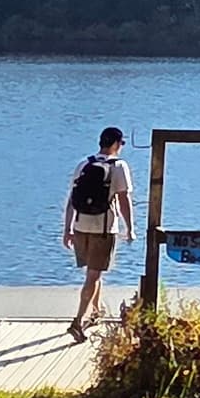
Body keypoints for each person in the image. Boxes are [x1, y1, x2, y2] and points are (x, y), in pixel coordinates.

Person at [63, 126, 134, 340]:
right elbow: (124, 200)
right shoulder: (119, 166)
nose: (121, 148)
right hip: (103, 229)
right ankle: (78, 321)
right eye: (121, 144)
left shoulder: (83, 164)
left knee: (94, 273)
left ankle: (95, 312)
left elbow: (71, 200)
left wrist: (67, 230)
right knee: (94, 275)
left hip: (80, 228)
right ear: (115, 144)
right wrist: (130, 228)